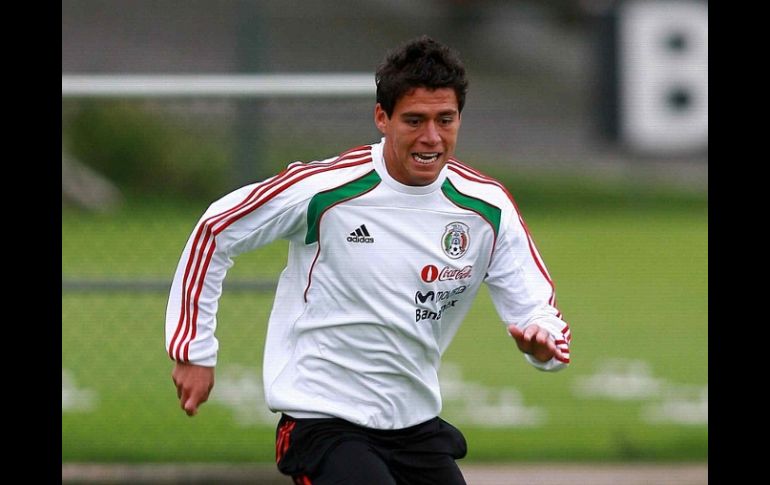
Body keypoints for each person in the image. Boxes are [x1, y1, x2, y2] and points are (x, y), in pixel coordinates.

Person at [166, 35, 571, 484]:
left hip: (414, 424)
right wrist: (193, 350)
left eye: (445, 120)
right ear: (382, 117)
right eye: (414, 120)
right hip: (322, 419)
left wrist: (543, 343)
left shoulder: (486, 207)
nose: (431, 138)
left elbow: (537, 308)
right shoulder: (325, 189)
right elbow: (216, 230)